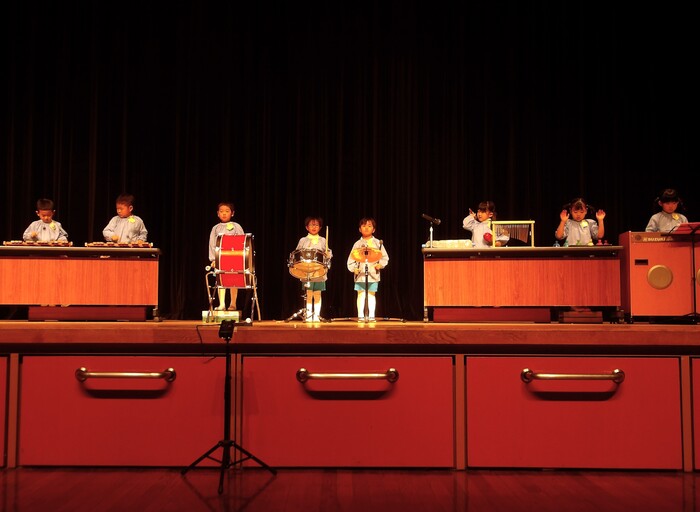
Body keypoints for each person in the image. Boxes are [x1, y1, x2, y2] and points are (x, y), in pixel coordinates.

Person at [346, 217, 389, 322]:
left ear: (373, 229)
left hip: (373, 274)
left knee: (371, 294)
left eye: (369, 226)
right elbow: (351, 258)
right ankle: (361, 316)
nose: (366, 228)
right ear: (359, 229)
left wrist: (380, 265)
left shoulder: (378, 243)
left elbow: (385, 257)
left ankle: (371, 316)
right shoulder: (357, 244)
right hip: (360, 274)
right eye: (364, 226)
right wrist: (354, 269)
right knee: (360, 294)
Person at [293, 216, 333, 322]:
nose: (314, 227)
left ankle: (316, 316)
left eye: (316, 225)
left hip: (319, 271)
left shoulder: (323, 240)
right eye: (311, 225)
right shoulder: (303, 240)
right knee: (309, 293)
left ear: (320, 227)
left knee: (318, 294)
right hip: (306, 271)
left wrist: (328, 254)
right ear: (307, 227)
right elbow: (297, 253)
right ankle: (309, 315)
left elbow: (329, 253)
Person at [208, 201, 244, 311]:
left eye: (227, 211)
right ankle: (222, 304)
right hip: (220, 258)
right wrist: (213, 259)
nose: (224, 213)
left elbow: (242, 241)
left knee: (233, 280)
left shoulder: (236, 226)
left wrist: (241, 257)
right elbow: (212, 244)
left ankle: (233, 304)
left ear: (232, 213)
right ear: (218, 213)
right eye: (221, 211)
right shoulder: (215, 228)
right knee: (220, 279)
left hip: (234, 258)